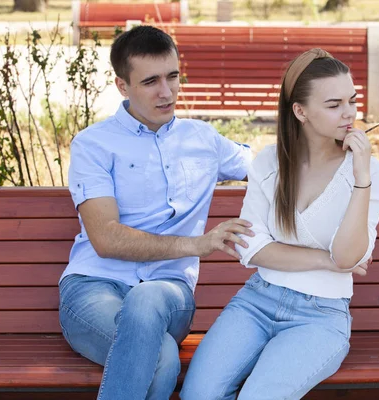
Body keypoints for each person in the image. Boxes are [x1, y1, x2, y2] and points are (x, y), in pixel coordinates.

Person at [58, 26, 254, 400]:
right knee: (163, 355)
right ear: (122, 86)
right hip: (93, 289)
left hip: (169, 296)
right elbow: (106, 239)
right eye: (150, 81)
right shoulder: (94, 145)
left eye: (172, 76)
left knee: (147, 301)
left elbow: (272, 167)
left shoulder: (204, 140)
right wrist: (197, 243)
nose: (166, 92)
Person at [180, 48, 379, 399]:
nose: (349, 113)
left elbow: (349, 255)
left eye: (352, 100)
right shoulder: (270, 161)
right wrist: (326, 260)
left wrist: (361, 176)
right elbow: (253, 246)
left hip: (321, 317)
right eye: (334, 105)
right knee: (198, 394)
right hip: (257, 301)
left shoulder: (366, 171)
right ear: (300, 111)